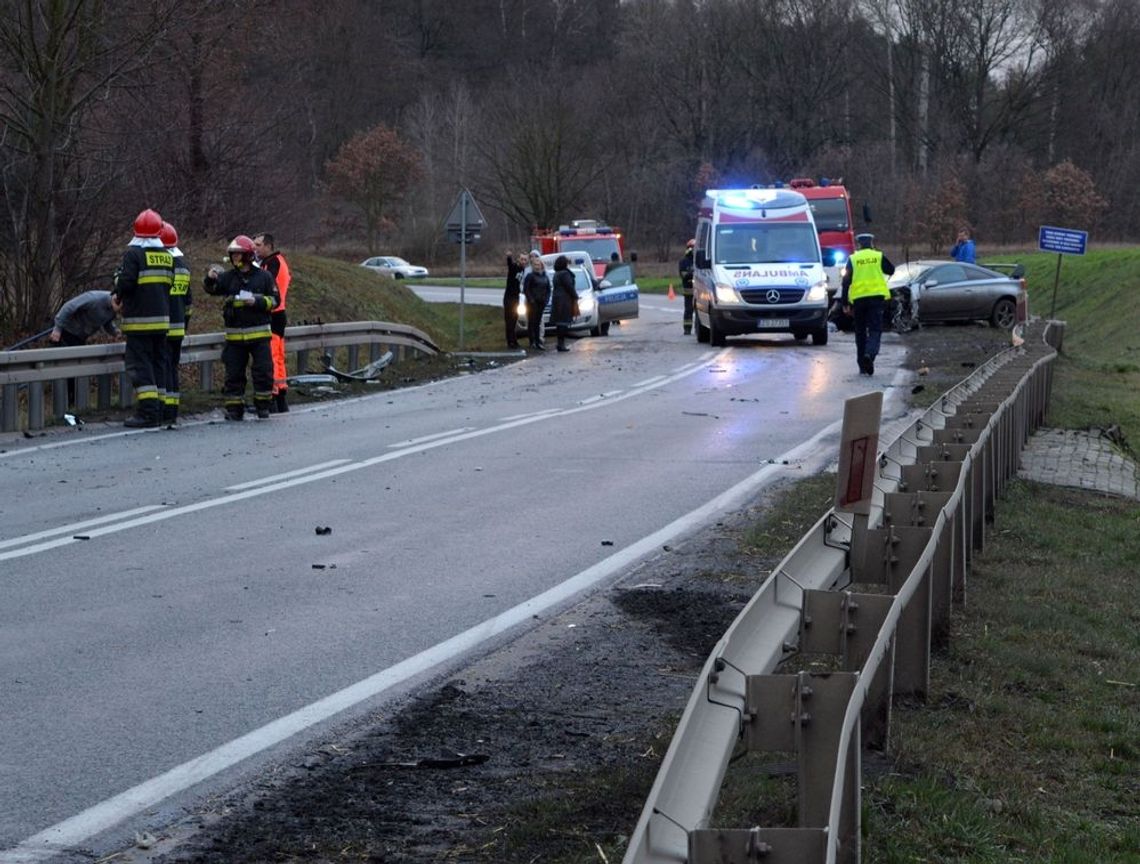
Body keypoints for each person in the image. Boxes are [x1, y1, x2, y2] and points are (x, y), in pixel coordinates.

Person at [203, 235, 280, 420]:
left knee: (263, 372)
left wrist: (257, 301)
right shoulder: (229, 277)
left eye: (238, 255)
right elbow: (212, 289)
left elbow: (276, 300)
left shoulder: (264, 276)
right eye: (233, 255)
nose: (235, 258)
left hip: (259, 335)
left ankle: (263, 406)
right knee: (234, 375)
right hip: (235, 338)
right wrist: (209, 278)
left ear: (247, 255)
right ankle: (234, 409)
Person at [112, 208, 172, 428]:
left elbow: (126, 283)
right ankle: (161, 409)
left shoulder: (133, 254)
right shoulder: (166, 255)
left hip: (139, 323)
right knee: (158, 365)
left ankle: (147, 413)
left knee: (140, 366)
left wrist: (117, 288)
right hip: (162, 322)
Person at [840, 233, 895, 376]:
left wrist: (844, 302)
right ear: (871, 243)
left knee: (860, 332)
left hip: (858, 300)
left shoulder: (853, 259)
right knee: (875, 329)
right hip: (876, 299)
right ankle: (869, 355)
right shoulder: (878, 256)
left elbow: (846, 282)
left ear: (858, 244)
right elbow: (891, 270)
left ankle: (862, 365)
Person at [252, 232, 291, 413]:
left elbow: (266, 285)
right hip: (279, 313)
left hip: (273, 313)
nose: (255, 248)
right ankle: (281, 396)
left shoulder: (272, 263)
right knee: (279, 357)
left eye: (258, 245)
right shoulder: (278, 261)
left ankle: (272, 397)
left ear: (268, 246)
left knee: (272, 357)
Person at [160, 221, 192, 428]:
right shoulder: (183, 265)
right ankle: (172, 409)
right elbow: (188, 302)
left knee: (162, 369)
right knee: (172, 368)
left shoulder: (164, 264)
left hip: (162, 325)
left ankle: (163, 410)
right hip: (179, 325)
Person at [51, 291, 118, 346]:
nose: (121, 312)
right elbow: (68, 307)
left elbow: (106, 322)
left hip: (81, 337)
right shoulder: (94, 298)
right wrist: (58, 329)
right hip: (66, 332)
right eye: (121, 309)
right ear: (116, 301)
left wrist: (116, 333)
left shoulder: (113, 310)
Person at [522, 253, 551, 351]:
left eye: (539, 265)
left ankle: (538, 341)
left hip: (541, 302)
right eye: (535, 265)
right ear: (532, 266)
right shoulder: (530, 276)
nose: (537, 267)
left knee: (538, 322)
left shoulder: (545, 277)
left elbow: (548, 289)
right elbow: (526, 289)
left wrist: (546, 300)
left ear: (541, 266)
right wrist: (531, 299)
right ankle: (532, 341)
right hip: (532, 302)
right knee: (532, 322)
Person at [550, 255, 578, 352]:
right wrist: (575, 296)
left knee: (559, 323)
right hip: (564, 300)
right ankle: (561, 344)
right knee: (563, 322)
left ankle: (560, 343)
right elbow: (569, 286)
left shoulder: (557, 273)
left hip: (558, 300)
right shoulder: (565, 274)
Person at [503, 250, 525, 349]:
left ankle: (514, 339)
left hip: (516, 297)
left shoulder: (522, 269)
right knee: (509, 320)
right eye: (522, 259)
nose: (523, 261)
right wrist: (509, 257)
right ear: (518, 259)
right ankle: (510, 341)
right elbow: (510, 266)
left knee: (515, 319)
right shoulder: (515, 267)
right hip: (509, 297)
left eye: (525, 260)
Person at [679, 238, 695, 335]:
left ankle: (699, 329)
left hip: (700, 291)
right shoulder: (684, 262)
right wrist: (692, 273)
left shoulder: (699, 260)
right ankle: (687, 329)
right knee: (689, 310)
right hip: (688, 290)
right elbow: (684, 275)